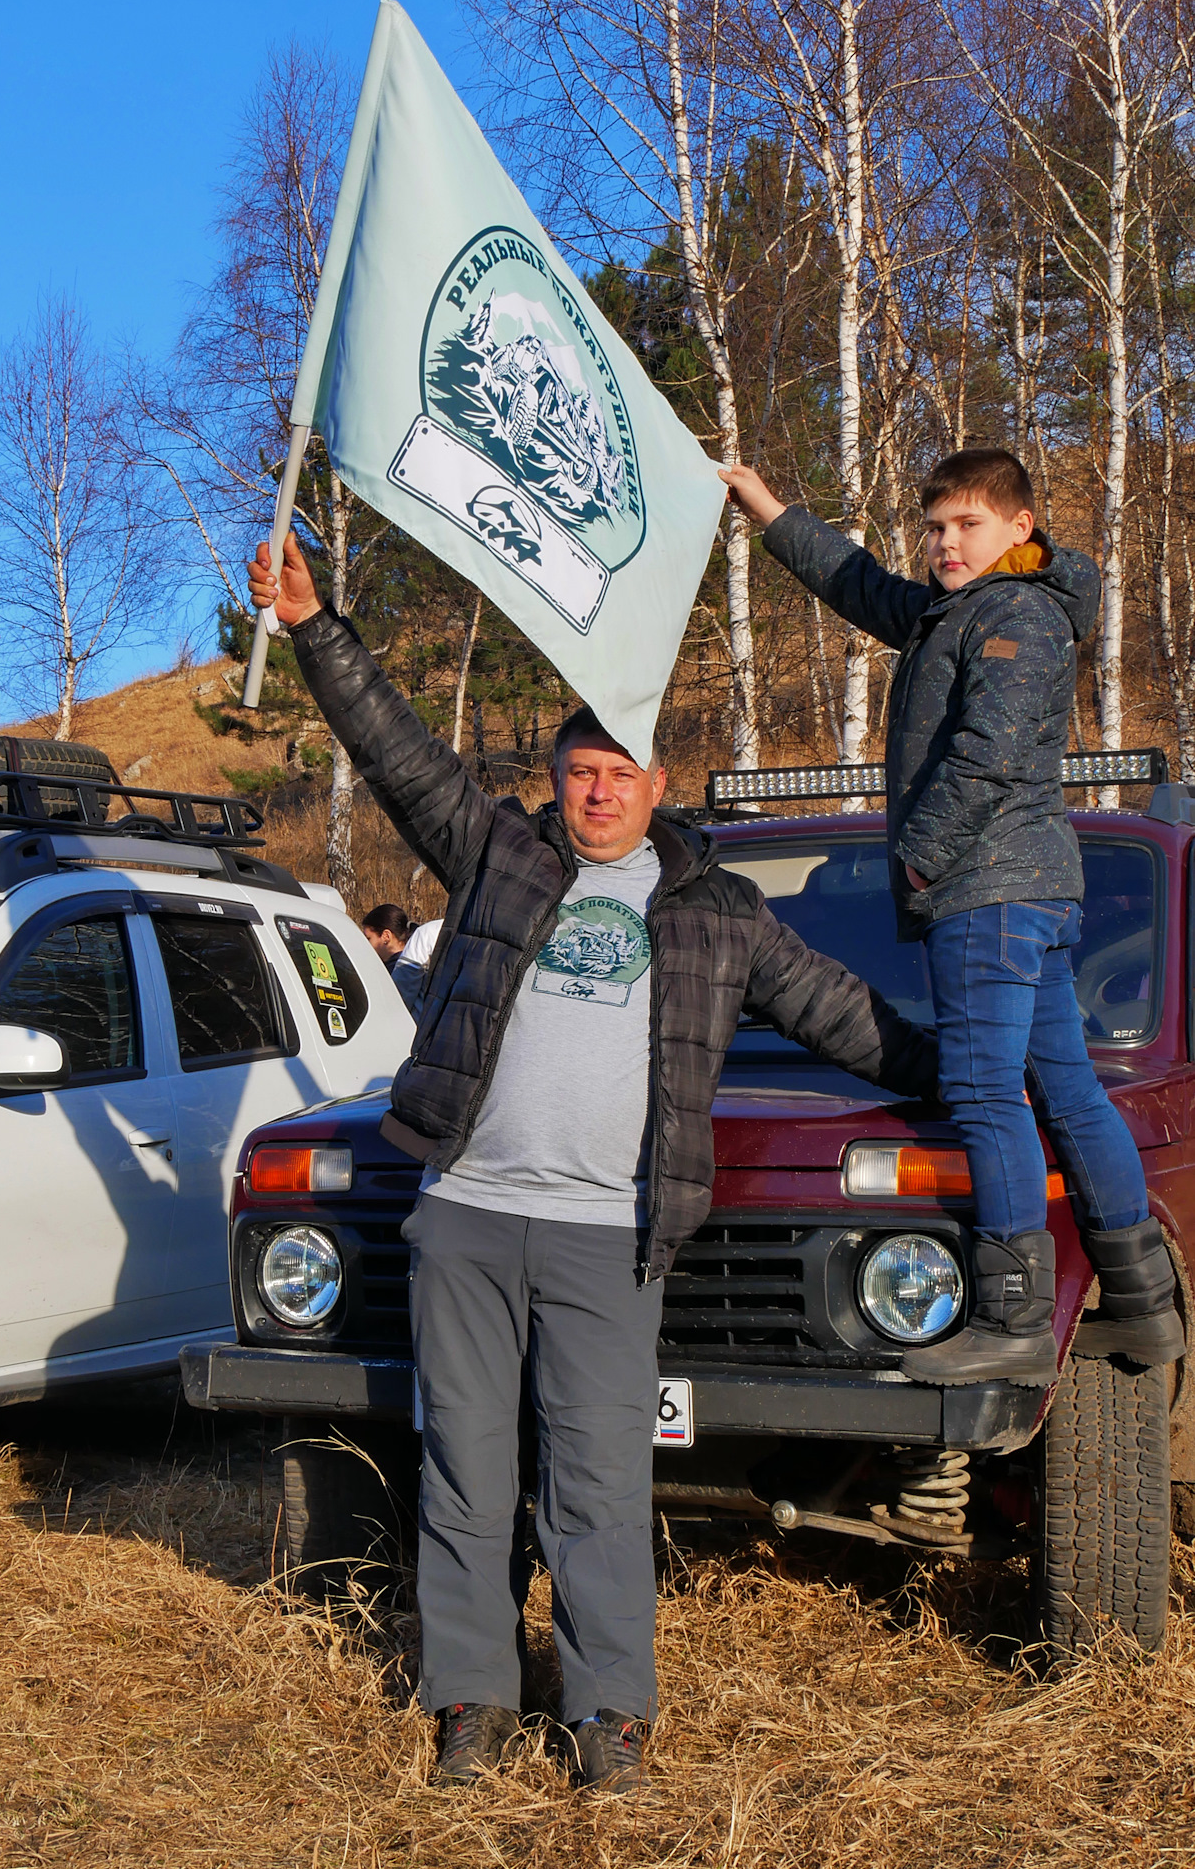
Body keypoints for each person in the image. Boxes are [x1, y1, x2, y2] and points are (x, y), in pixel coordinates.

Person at [248, 531, 938, 1793]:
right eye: (580, 772)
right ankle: (471, 1699)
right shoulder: (500, 855)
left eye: (619, 773)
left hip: (605, 1235)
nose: (599, 793)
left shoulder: (717, 912)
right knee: (466, 1464)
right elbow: (399, 757)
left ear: (657, 783)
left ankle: (608, 1713)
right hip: (466, 1215)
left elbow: (846, 1016)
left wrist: (981, 1077)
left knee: (600, 1480)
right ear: (555, 782)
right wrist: (314, 629)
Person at [720, 447, 1185, 1386]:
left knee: (982, 1094)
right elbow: (857, 582)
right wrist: (764, 505)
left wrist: (920, 858)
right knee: (1065, 1089)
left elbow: (990, 753)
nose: (943, 543)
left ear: (1019, 528)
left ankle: (1012, 1317)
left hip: (990, 891)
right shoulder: (958, 610)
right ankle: (1143, 1306)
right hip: (1023, 892)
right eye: (934, 527)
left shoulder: (1018, 613)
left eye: (966, 524)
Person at [361, 905, 445, 1018]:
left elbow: (393, 1009)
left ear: (386, 936)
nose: (365, 945)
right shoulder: (421, 959)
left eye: (368, 938)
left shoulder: (406, 969)